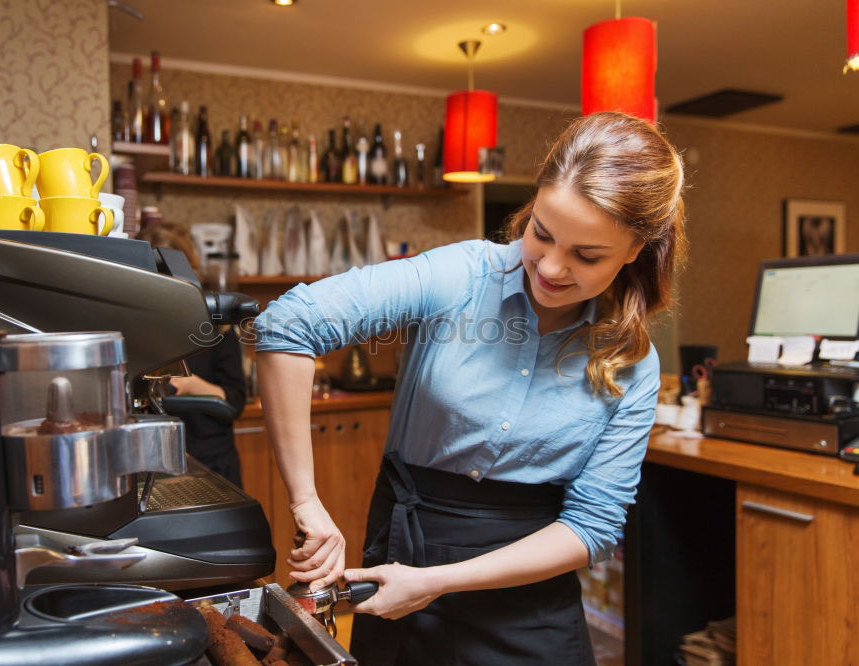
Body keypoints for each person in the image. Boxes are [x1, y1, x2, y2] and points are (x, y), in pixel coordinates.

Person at [252, 111, 687, 665]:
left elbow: (592, 526)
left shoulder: (633, 362)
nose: (551, 267)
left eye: (587, 255)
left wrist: (443, 581)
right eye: (543, 234)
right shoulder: (460, 276)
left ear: (636, 250)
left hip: (529, 595)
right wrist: (307, 502)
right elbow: (288, 325)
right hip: (404, 570)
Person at [137, 221, 248, 487]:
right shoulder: (135, 326)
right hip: (151, 462)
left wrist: (190, 386)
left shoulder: (216, 326)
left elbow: (235, 401)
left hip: (212, 461)